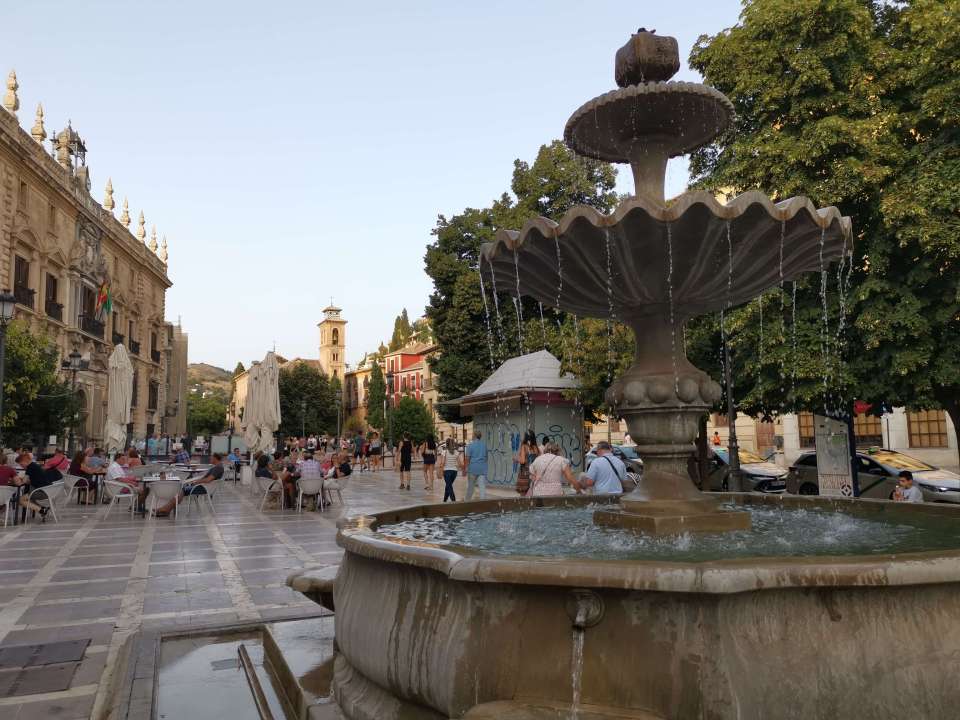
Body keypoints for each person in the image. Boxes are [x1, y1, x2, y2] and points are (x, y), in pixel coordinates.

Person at [154, 453, 224, 517]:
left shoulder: (218, 468)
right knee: (181, 490)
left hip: (203, 487)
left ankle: (164, 509)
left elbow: (208, 480)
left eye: (211, 457)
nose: (210, 459)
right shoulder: (218, 467)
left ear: (215, 458)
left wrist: (197, 482)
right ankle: (166, 510)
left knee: (181, 490)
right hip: (203, 486)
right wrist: (196, 481)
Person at [17, 451, 59, 519]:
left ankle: (42, 510)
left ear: (25, 461)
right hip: (48, 490)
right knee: (28, 498)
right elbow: (31, 480)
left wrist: (18, 479)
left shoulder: (30, 467)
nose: (21, 466)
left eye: (21, 464)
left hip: (43, 492)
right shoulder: (34, 465)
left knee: (20, 500)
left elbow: (24, 481)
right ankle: (42, 509)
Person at [463, 431, 488, 500]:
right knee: (482, 487)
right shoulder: (484, 445)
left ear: (474, 436)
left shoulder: (470, 446)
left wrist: (465, 468)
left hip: (472, 469)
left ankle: (467, 502)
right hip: (482, 469)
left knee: (470, 487)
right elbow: (486, 458)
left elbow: (467, 458)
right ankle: (483, 503)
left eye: (472, 434)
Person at [515, 430, 540, 495]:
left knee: (523, 493)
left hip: (525, 472)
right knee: (533, 492)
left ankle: (524, 504)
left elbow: (523, 461)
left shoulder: (524, 446)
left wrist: (516, 459)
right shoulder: (536, 447)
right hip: (534, 472)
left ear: (525, 437)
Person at [438, 438, 462, 502]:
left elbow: (442, 462)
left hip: (447, 471)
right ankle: (444, 500)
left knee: (449, 486)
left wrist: (440, 469)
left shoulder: (444, 452)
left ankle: (453, 500)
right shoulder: (456, 452)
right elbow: (460, 463)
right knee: (448, 486)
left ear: (446, 444)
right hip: (454, 472)